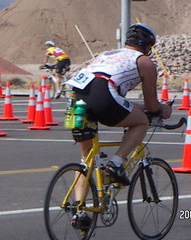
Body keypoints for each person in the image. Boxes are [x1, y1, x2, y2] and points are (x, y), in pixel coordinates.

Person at [66, 23, 172, 186]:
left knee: (86, 161)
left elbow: (119, 102)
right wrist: (163, 109)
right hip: (104, 93)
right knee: (141, 122)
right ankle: (115, 163)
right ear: (148, 46)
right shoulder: (144, 61)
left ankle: (79, 210)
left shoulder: (107, 54)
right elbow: (151, 106)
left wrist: (140, 108)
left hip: (78, 95)